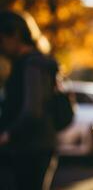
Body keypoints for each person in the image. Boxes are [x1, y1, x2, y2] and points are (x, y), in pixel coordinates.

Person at [0, 11, 58, 190]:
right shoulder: (37, 62)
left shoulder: (32, 64)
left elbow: (32, 110)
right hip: (36, 146)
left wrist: (7, 134)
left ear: (15, 35)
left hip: (31, 149)